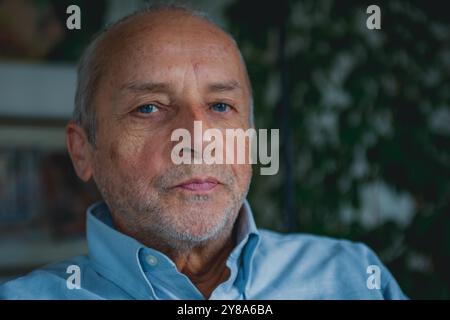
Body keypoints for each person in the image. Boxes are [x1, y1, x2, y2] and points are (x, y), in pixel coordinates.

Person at [0, 5, 407, 300]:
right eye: (149, 107)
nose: (198, 137)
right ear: (83, 151)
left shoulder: (353, 276)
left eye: (220, 107)